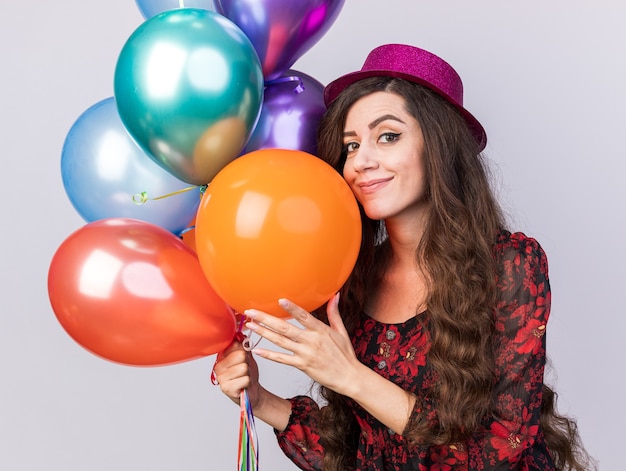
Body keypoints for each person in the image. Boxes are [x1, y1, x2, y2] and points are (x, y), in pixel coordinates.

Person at [213, 44, 595, 470]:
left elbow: (499, 450)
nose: (361, 161)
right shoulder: (352, 278)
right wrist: (260, 400)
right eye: (351, 146)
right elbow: (364, 452)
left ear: (439, 146)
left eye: (388, 136)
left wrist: (352, 376)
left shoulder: (510, 265)